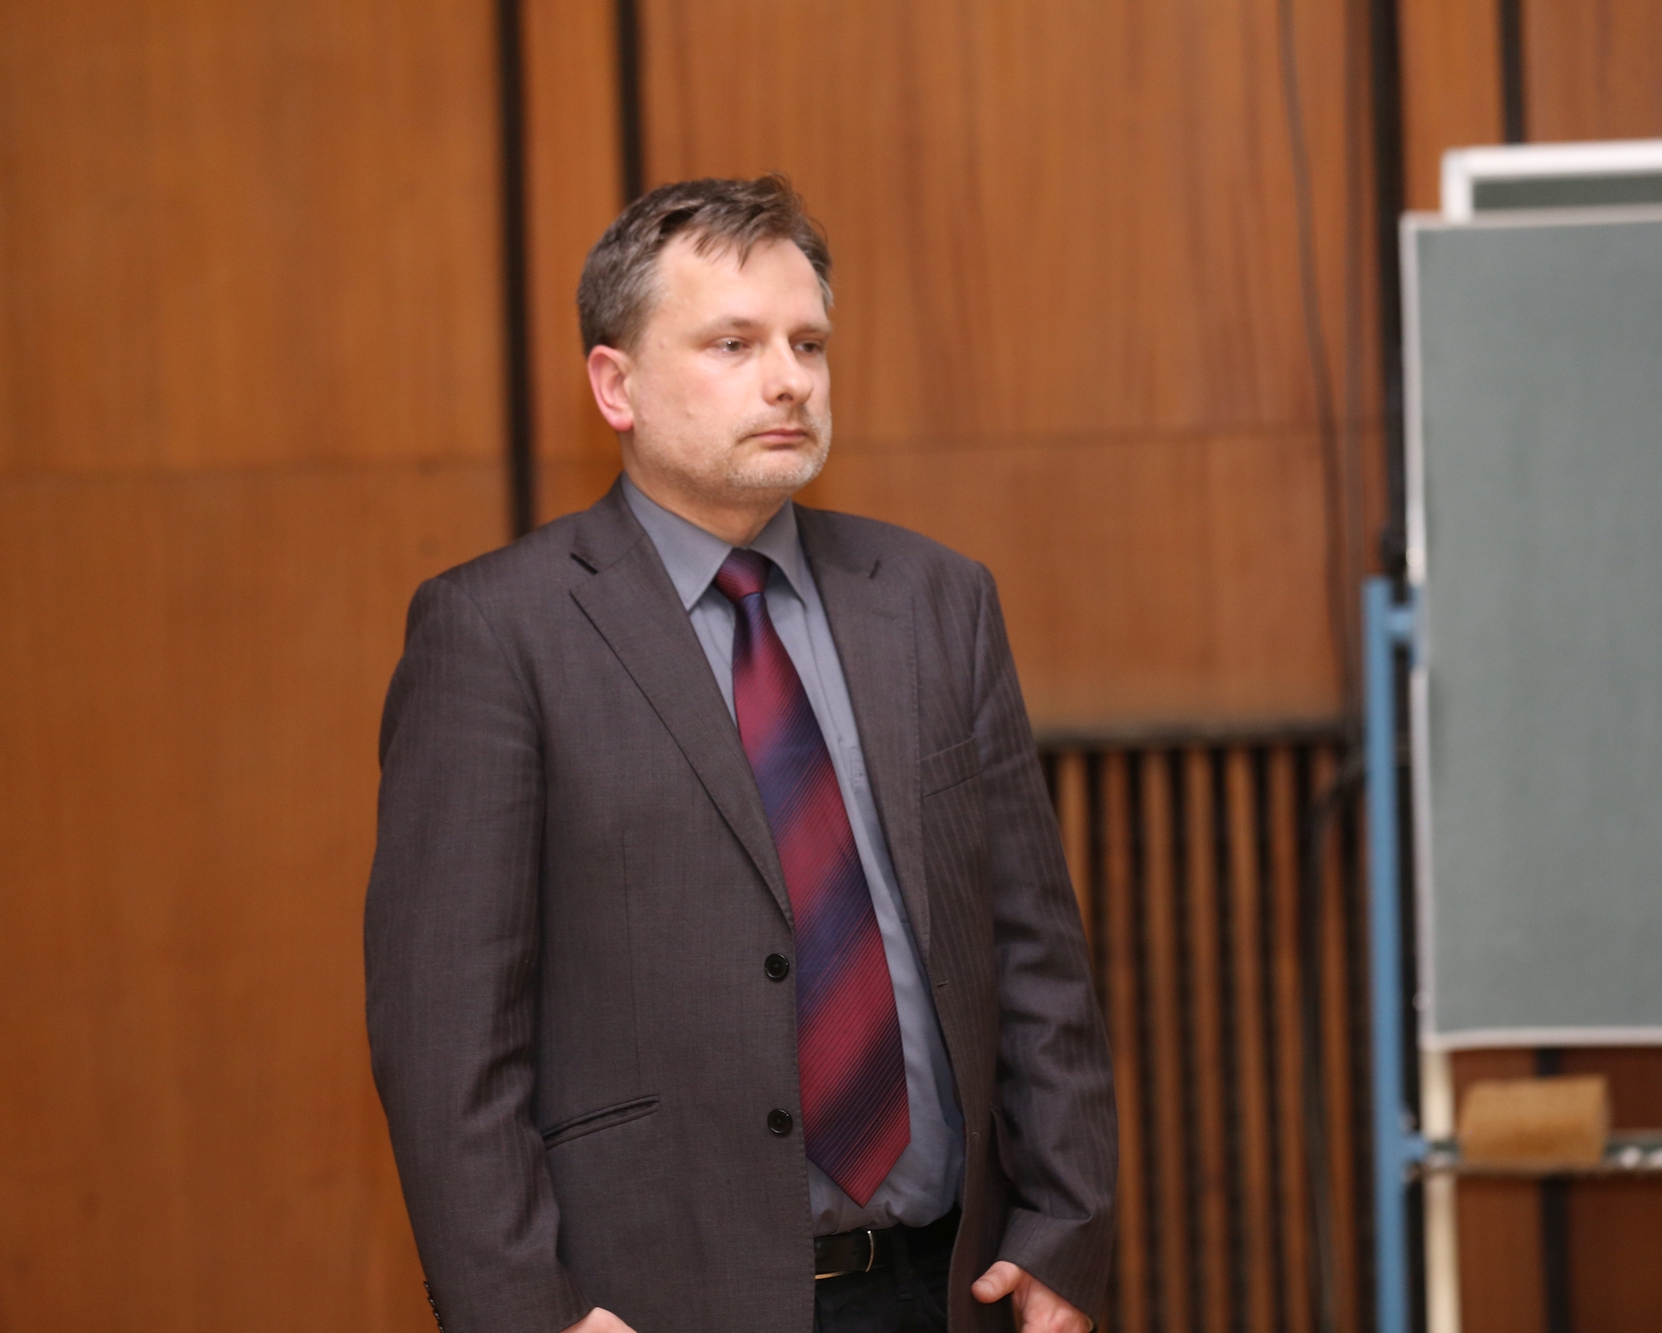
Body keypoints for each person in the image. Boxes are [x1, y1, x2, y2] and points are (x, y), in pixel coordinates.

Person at [365, 175, 1115, 1333]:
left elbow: (1034, 956)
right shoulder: (497, 633)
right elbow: (445, 1034)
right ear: (614, 385)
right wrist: (529, 1311)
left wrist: (1064, 1231)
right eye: (733, 344)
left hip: (947, 1289)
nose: (789, 380)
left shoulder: (935, 601)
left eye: (807, 344)